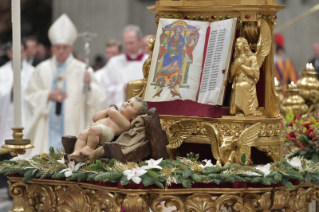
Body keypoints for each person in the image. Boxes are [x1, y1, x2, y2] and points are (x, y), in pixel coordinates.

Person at [25, 14, 107, 156]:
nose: (61, 51)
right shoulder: (42, 69)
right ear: (52, 49)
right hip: (46, 127)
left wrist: (89, 87)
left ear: (70, 49)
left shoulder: (82, 69)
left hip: (73, 125)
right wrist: (47, 95)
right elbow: (29, 95)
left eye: (64, 47)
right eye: (58, 47)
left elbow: (100, 99)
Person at [69, 97, 148, 162]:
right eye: (128, 101)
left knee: (94, 130)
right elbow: (95, 118)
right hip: (96, 127)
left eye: (132, 105)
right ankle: (77, 153)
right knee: (82, 134)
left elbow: (112, 112)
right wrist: (106, 110)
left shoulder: (126, 123)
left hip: (106, 132)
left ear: (135, 117)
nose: (127, 103)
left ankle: (90, 148)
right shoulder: (112, 113)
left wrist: (110, 109)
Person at [0, 42, 34, 193]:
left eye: (21, 51)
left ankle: (24, 187)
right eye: (15, 52)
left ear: (25, 53)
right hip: (6, 119)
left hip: (26, 120)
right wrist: (9, 91)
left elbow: (35, 95)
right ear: (9, 54)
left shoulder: (33, 72)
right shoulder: (2, 72)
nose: (18, 55)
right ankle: (7, 188)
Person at [99, 25, 148, 109]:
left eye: (132, 43)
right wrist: (122, 88)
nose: (128, 47)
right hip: (121, 111)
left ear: (140, 41)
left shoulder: (149, 61)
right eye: (126, 43)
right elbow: (104, 89)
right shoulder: (114, 62)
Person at [229, 37, 260, 116]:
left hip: (248, 82)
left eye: (239, 42)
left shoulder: (252, 57)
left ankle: (244, 110)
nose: (237, 44)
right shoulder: (236, 58)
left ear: (244, 44)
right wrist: (235, 65)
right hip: (238, 81)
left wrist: (241, 65)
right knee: (237, 85)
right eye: (236, 42)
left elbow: (255, 74)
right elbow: (231, 76)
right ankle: (238, 110)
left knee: (240, 85)